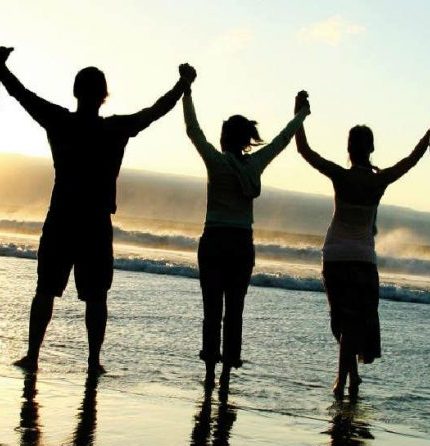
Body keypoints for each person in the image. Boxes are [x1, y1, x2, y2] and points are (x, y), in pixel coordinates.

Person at [0, 46, 196, 373]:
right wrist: (182, 84)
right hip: (95, 222)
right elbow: (155, 111)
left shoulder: (60, 121)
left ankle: (33, 356)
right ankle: (93, 361)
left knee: (46, 289)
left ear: (76, 92)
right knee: (95, 296)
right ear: (104, 96)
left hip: (62, 217)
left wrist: (2, 69)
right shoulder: (114, 129)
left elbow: (23, 95)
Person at [294, 91, 429, 400]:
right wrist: (427, 137)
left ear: (349, 149)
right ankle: (344, 380)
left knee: (343, 320)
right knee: (356, 320)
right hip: (362, 258)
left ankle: (348, 379)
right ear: (371, 149)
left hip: (335, 255)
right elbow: (411, 161)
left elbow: (304, 150)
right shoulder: (379, 180)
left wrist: (299, 114)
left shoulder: (340, 175)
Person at [182, 78, 310, 393]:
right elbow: (282, 140)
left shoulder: (215, 161)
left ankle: (210, 371)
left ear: (224, 138)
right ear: (246, 141)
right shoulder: (254, 166)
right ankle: (227, 371)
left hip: (214, 241)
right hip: (241, 244)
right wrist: (301, 114)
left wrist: (187, 91)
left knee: (212, 309)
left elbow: (193, 130)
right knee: (234, 310)